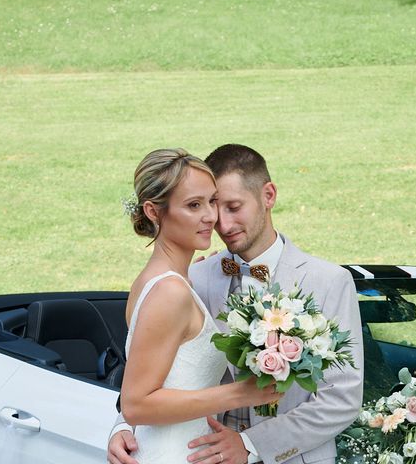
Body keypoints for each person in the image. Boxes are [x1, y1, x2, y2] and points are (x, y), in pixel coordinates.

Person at [108, 144, 364, 464]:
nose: (221, 224)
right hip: (196, 454)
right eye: (211, 205)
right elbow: (150, 373)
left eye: (232, 206)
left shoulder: (328, 282)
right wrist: (125, 426)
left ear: (268, 195)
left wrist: (251, 444)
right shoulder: (192, 279)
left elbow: (340, 400)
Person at [117, 148, 280, 464]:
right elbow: (135, 404)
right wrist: (241, 393)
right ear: (153, 211)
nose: (211, 216)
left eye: (211, 201)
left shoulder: (164, 280)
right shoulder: (169, 291)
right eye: (194, 205)